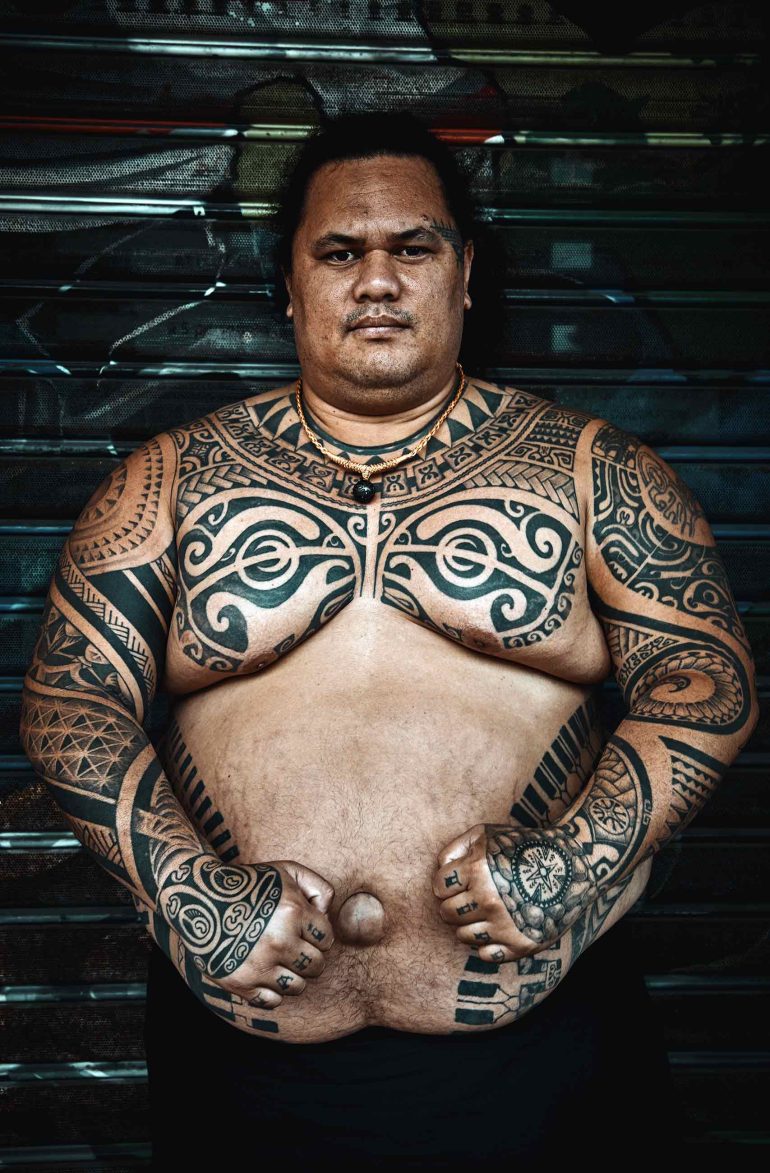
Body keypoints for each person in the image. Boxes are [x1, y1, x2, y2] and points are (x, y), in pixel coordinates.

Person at [20, 113, 757, 1168]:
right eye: (339, 252)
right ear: (289, 284)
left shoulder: (594, 473)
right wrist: (190, 889)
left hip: (540, 1055)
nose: (376, 279)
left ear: (463, 277)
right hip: (246, 1059)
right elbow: (69, 702)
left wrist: (574, 859)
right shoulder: (168, 483)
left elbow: (702, 679)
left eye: (411, 248)